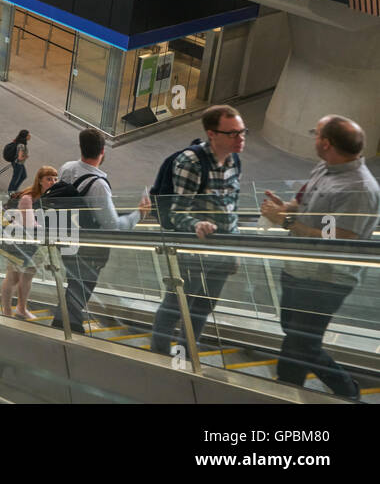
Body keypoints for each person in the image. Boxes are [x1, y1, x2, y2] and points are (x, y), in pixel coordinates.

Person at [261, 116, 378, 399]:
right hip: (299, 268)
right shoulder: (326, 167)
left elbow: (337, 237)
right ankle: (292, 389)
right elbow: (304, 203)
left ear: (326, 144)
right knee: (294, 333)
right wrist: (286, 208)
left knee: (302, 343)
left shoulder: (359, 189)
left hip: (326, 279)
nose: (313, 139)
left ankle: (344, 391)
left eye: (316, 135)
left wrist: (286, 223)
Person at [149, 105, 244, 356]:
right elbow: (177, 212)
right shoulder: (191, 162)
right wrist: (196, 224)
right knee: (177, 302)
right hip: (194, 251)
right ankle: (158, 352)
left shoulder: (235, 160)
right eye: (233, 133)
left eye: (243, 131)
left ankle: (188, 350)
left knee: (205, 304)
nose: (240, 137)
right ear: (212, 134)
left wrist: (233, 252)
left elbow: (231, 208)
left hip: (222, 251)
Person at [49, 128, 148, 334]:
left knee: (74, 283)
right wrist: (138, 214)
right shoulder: (98, 185)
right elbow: (112, 226)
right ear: (102, 151)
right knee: (81, 286)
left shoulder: (67, 168)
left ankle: (66, 324)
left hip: (65, 239)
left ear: (81, 147)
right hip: (87, 248)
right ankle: (67, 327)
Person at [0, 165, 58, 320]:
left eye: (55, 179)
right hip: (19, 243)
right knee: (13, 277)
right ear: (39, 180)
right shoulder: (28, 197)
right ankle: (6, 311)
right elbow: (29, 225)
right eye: (48, 179)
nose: (53, 182)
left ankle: (21, 308)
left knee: (27, 276)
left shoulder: (46, 198)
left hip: (33, 245)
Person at [4, 130, 31, 194]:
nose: (30, 136)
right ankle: (10, 192)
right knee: (15, 178)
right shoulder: (21, 145)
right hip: (18, 164)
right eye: (28, 135)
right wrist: (26, 157)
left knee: (23, 176)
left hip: (18, 163)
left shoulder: (19, 142)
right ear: (25, 136)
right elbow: (20, 157)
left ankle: (14, 190)